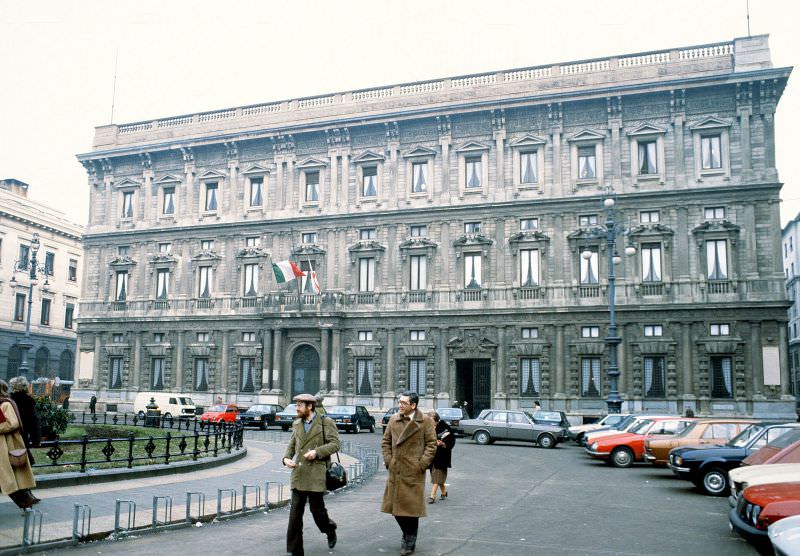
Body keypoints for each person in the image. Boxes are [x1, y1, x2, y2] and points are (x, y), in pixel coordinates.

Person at [282, 393, 339, 556]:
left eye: (300, 405)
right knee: (295, 515)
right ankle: (295, 550)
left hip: (316, 473)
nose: (297, 408)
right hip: (299, 472)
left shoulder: (325, 422)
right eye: (296, 404)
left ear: (310, 406)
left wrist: (317, 452)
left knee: (317, 511)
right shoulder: (297, 424)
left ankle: (329, 529)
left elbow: (335, 444)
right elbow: (292, 444)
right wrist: (286, 458)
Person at [381, 391, 437, 555]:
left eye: (404, 403)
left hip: (413, 471)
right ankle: (408, 533)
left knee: (411, 509)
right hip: (396, 469)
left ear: (413, 405)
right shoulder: (393, 419)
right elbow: (385, 442)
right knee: (395, 509)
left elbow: (431, 444)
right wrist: (389, 461)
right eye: (400, 402)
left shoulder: (424, 421)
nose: (400, 405)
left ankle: (409, 540)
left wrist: (422, 464)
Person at [0, 379, 38, 510]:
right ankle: (26, 501)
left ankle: (26, 501)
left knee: (7, 478)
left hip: (6, 445)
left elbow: (12, 423)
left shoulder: (6, 404)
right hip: (3, 444)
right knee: (6, 478)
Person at [9, 377, 41, 462]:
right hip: (22, 434)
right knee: (21, 458)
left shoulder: (9, 400)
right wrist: (36, 440)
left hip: (8, 434)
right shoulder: (28, 400)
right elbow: (33, 421)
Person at [427, 411, 455, 504]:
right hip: (431, 456)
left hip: (442, 456)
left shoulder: (445, 428)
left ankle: (432, 496)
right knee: (437, 478)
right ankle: (444, 492)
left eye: (431, 421)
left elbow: (452, 441)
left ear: (436, 420)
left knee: (436, 477)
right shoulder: (428, 428)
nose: (429, 423)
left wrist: (443, 444)